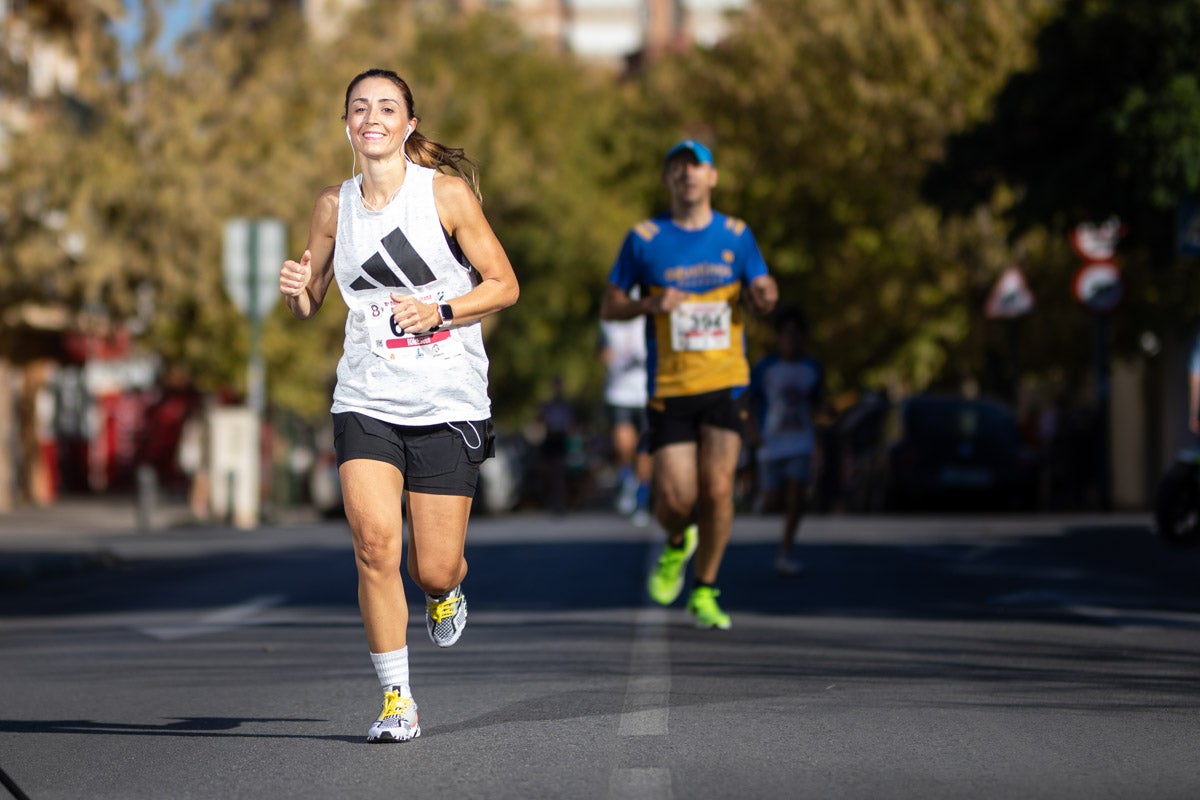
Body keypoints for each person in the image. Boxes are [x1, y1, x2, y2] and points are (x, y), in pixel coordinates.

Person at [279, 68, 519, 743]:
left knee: (431, 565)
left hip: (447, 398)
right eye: (360, 108)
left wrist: (440, 307)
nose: (372, 117)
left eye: (387, 107)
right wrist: (296, 288)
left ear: (408, 123)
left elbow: (504, 285)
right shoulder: (334, 206)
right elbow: (310, 300)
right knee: (375, 546)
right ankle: (396, 700)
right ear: (347, 124)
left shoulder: (444, 196)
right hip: (366, 396)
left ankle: (445, 591)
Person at [600, 138, 778, 630]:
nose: (687, 175)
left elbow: (763, 288)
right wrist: (647, 305)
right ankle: (679, 542)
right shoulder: (644, 238)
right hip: (670, 388)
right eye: (677, 167)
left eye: (696, 167)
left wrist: (764, 292)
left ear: (713, 177)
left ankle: (705, 588)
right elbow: (610, 306)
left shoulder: (738, 235)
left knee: (719, 489)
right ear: (668, 180)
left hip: (726, 382)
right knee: (675, 500)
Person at [747, 306, 825, 576]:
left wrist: (827, 416)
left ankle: (785, 552)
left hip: (800, 441)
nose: (791, 340)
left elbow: (818, 403)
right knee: (772, 500)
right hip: (771, 442)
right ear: (779, 337)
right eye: (786, 334)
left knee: (796, 499)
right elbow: (749, 400)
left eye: (796, 334)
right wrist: (752, 431)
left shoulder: (811, 368)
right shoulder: (767, 367)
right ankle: (760, 499)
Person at [598, 308, 652, 524]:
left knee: (645, 452)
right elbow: (602, 351)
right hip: (619, 393)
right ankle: (627, 481)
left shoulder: (649, 320)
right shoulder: (609, 322)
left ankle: (641, 502)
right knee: (624, 445)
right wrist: (608, 356)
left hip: (646, 394)